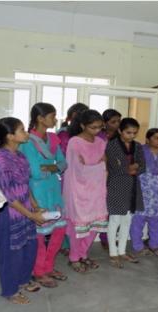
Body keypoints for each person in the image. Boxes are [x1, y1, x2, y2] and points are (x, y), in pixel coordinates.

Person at [0, 117, 45, 304]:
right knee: (11, 253)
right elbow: (7, 195)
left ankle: (23, 280)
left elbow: (25, 184)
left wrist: (34, 205)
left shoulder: (20, 156)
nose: (26, 133)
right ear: (10, 136)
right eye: (22, 130)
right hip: (7, 213)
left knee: (29, 247)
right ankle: (10, 290)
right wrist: (32, 214)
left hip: (24, 209)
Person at [19, 102, 68, 288]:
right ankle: (39, 270)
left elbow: (64, 164)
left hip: (54, 189)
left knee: (59, 229)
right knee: (39, 233)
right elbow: (34, 172)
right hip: (36, 191)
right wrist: (53, 167)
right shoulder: (27, 141)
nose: (55, 120)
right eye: (52, 116)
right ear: (40, 118)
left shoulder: (54, 139)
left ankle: (49, 266)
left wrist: (50, 167)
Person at [63, 109, 108, 273]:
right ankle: (74, 257)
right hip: (78, 191)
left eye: (99, 127)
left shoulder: (101, 142)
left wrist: (97, 167)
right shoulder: (75, 142)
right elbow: (78, 169)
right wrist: (98, 166)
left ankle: (83, 254)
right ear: (83, 125)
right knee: (79, 228)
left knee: (95, 225)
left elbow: (105, 165)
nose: (97, 131)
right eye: (93, 127)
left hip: (97, 190)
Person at [105, 117, 146, 268]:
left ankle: (122, 251)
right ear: (120, 131)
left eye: (134, 133)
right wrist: (130, 168)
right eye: (128, 132)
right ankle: (113, 253)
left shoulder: (138, 146)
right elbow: (115, 168)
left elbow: (142, 166)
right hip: (116, 186)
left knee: (127, 220)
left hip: (133, 187)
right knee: (114, 220)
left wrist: (131, 168)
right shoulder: (112, 145)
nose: (132, 136)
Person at [130, 128, 158, 257]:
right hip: (142, 190)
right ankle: (137, 245)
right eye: (156, 138)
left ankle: (155, 244)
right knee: (138, 219)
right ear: (148, 140)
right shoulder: (139, 150)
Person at [56, 102, 88, 256]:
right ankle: (65, 243)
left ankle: (75, 244)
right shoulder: (63, 135)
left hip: (82, 178)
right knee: (66, 210)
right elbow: (63, 159)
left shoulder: (85, 136)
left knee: (78, 210)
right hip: (65, 177)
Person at [96, 108, 122, 249]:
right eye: (113, 121)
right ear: (105, 123)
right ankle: (103, 237)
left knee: (115, 209)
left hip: (117, 176)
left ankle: (111, 237)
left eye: (118, 121)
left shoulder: (120, 137)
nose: (117, 124)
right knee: (102, 208)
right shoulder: (98, 137)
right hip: (100, 175)